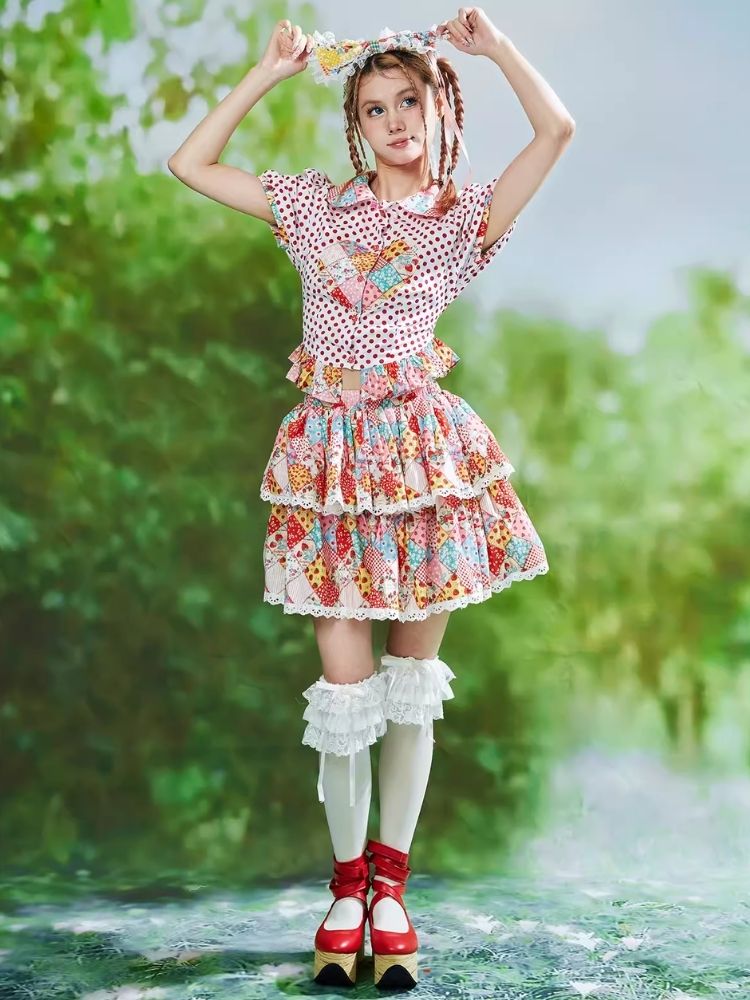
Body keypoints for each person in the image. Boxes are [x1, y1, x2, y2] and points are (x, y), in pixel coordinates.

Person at [168, 7, 574, 989]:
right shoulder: (314, 209)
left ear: (441, 110)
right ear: (355, 126)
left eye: (411, 102)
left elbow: (557, 130)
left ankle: (390, 890)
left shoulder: (463, 223)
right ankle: (345, 889)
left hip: (424, 465)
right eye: (376, 108)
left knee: (410, 686)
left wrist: (495, 48)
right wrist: (268, 74)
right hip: (331, 464)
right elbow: (189, 164)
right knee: (345, 693)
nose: (396, 121)